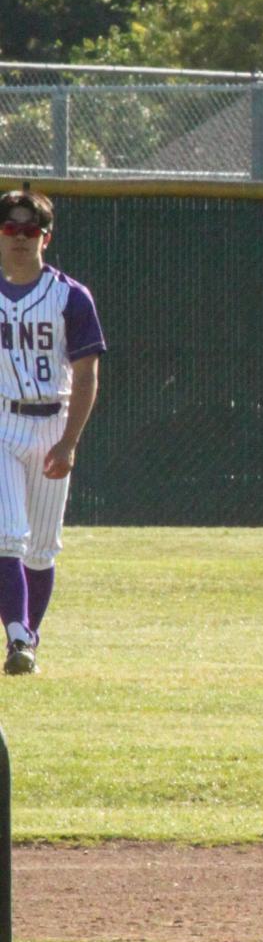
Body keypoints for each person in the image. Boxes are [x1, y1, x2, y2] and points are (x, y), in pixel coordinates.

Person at [0, 187, 106, 677]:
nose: (20, 237)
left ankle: (29, 641)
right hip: (2, 419)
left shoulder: (69, 296)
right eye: (10, 228)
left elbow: (86, 375)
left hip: (54, 420)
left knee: (41, 548)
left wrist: (70, 441)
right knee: (7, 535)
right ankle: (17, 634)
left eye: (30, 229)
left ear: (46, 236)